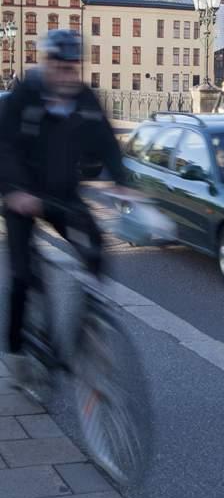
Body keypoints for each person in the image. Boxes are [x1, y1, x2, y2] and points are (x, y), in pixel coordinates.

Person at [0, 29, 131, 386]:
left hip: (62, 193)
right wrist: (14, 191)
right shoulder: (24, 96)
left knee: (96, 246)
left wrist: (123, 183)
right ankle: (15, 351)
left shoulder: (85, 98)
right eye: (59, 67)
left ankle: (87, 320)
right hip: (22, 195)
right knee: (22, 275)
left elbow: (106, 141)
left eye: (72, 68)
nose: (66, 76)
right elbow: (5, 147)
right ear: (46, 65)